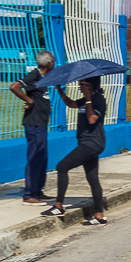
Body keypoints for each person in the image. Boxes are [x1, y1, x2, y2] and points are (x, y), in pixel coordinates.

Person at [42, 76, 107, 226]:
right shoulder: (85, 100)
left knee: (62, 166)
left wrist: (89, 98)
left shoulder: (98, 100)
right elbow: (71, 104)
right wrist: (59, 90)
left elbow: (92, 119)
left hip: (92, 143)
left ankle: (58, 206)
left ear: (90, 86)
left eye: (82, 84)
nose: (80, 87)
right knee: (93, 179)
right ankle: (100, 216)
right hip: (88, 143)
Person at [10, 51, 59, 205]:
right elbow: (14, 87)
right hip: (34, 123)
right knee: (34, 157)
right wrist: (28, 100)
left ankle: (38, 190)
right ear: (49, 63)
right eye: (53, 62)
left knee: (42, 157)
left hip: (42, 123)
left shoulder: (43, 79)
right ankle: (29, 194)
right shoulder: (35, 75)